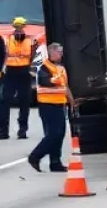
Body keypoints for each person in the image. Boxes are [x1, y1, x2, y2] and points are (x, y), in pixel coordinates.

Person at [28, 42, 74, 173]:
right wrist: (57, 78)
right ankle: (35, 156)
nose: (61, 54)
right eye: (59, 51)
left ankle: (55, 162)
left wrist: (71, 100)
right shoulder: (44, 68)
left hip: (59, 104)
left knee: (60, 134)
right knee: (53, 134)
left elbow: (64, 86)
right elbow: (46, 82)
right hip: (47, 105)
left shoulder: (60, 68)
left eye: (61, 51)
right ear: (51, 53)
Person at [2, 16, 34, 139]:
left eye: (21, 28)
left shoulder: (30, 41)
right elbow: (4, 55)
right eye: (17, 28)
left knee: (24, 102)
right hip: (10, 72)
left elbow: (33, 57)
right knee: (5, 100)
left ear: (24, 28)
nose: (19, 30)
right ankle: (4, 130)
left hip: (24, 72)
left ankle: (22, 130)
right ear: (14, 28)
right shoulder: (8, 40)